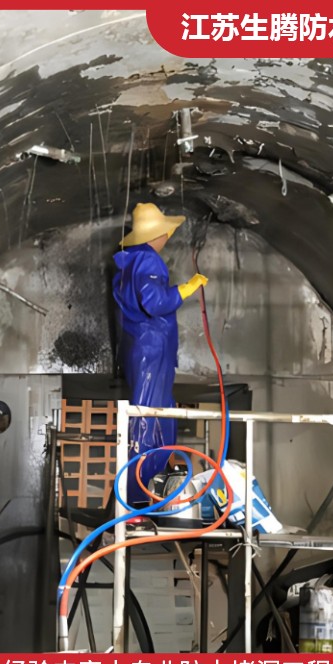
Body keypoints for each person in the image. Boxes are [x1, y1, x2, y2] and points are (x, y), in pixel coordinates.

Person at [112, 203, 208, 507]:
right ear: (157, 234)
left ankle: (136, 496)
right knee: (150, 421)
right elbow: (154, 303)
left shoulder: (130, 262)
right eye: (165, 231)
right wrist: (186, 289)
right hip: (153, 349)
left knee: (153, 416)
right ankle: (138, 500)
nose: (167, 236)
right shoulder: (148, 260)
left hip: (141, 347)